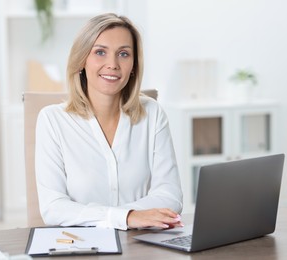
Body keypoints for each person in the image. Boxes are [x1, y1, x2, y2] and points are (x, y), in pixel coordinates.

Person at [35, 13, 183, 230]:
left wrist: (120, 217)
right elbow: (53, 208)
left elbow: (171, 195)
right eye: (100, 52)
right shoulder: (52, 120)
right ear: (81, 60)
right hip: (82, 246)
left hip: (140, 244)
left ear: (134, 65)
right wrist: (127, 217)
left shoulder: (153, 114)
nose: (112, 64)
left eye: (123, 54)